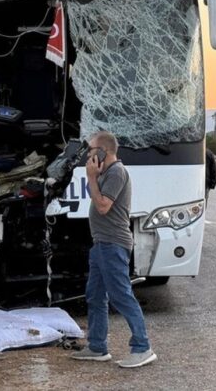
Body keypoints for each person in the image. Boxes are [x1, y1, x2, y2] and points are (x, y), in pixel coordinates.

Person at [71, 131, 157, 368]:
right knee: (95, 295)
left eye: (91, 150)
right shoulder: (106, 173)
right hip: (101, 244)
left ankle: (142, 347)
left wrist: (90, 177)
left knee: (121, 295)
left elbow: (102, 206)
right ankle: (97, 347)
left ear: (103, 152)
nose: (88, 155)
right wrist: (95, 176)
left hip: (113, 244)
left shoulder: (117, 172)